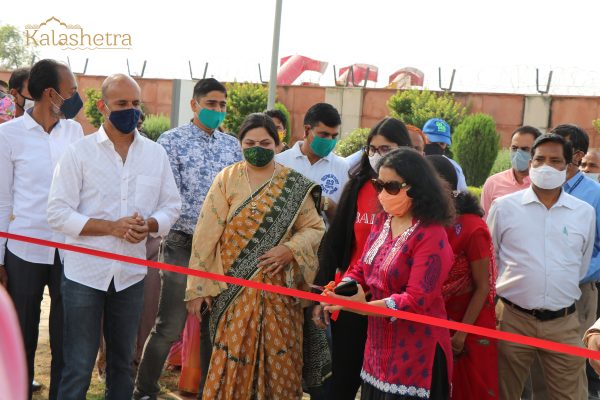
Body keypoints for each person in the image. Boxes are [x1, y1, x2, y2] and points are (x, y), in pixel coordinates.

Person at [47, 74, 181, 399]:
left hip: (130, 276)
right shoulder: (78, 153)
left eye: (136, 104)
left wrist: (148, 225)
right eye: (122, 104)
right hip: (84, 276)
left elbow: (171, 205)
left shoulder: (154, 154)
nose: (130, 111)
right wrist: (111, 227)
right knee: (78, 365)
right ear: (102, 106)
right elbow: (57, 213)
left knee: (123, 364)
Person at [185, 113, 325, 399]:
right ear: (239, 144)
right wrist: (198, 287)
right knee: (230, 361)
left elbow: (315, 227)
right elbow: (206, 234)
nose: (257, 148)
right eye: (249, 142)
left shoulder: (295, 185)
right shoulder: (227, 179)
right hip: (232, 291)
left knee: (280, 361)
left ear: (277, 143)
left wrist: (290, 249)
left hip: (280, 293)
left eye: (264, 142)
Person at [134, 78, 242, 400]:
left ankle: (208, 391)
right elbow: (169, 196)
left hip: (220, 249)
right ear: (194, 105)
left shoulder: (231, 145)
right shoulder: (172, 141)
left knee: (214, 327)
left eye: (222, 105)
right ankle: (144, 390)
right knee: (169, 324)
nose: (217, 110)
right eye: (211, 104)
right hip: (182, 242)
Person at [323, 147, 455, 400]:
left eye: (391, 187)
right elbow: (362, 267)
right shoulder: (383, 221)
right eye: (378, 185)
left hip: (416, 356)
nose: (383, 194)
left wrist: (363, 308)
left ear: (415, 187)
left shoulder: (431, 234)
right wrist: (342, 290)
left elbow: (417, 300)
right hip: (377, 351)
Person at [0, 59, 84, 400]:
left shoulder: (75, 132)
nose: (78, 97)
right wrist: (0, 258)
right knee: (22, 335)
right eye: (73, 90)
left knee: (66, 336)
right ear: (51, 93)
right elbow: (3, 200)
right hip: (24, 251)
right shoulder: (8, 135)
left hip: (67, 250)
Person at [488, 134, 595, 400]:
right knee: (504, 392)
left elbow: (581, 265)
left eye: (555, 160)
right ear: (531, 163)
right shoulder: (504, 208)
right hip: (513, 319)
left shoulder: (583, 212)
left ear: (568, 166)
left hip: (564, 322)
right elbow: (493, 259)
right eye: (540, 159)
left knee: (570, 394)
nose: (546, 166)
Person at [314, 117, 413, 400]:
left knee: (385, 386)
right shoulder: (358, 186)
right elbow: (334, 243)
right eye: (372, 148)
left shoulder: (416, 195)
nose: (377, 154)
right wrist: (321, 294)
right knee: (343, 379)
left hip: (394, 304)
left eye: (386, 148)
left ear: (403, 150)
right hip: (352, 297)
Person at [428, 155, 499, 400]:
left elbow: (483, 286)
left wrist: (461, 334)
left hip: (468, 325)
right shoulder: (424, 221)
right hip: (431, 321)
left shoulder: (471, 226)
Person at [550, 124, 600, 399]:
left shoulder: (595, 195)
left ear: (577, 155)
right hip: (537, 296)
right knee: (538, 369)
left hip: (578, 294)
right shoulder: (535, 190)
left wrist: (577, 272)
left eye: (559, 148)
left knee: (569, 369)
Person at [276, 102, 348, 220]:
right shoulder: (279, 162)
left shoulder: (343, 167)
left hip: (325, 237)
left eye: (334, 136)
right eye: (324, 134)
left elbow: (346, 219)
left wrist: (326, 204)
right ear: (307, 130)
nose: (329, 140)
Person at [481, 126, 542, 217]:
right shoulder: (493, 183)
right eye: (514, 148)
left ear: (537, 152)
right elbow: (484, 221)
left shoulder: (543, 184)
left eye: (525, 149)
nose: (518, 153)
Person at [422, 117, 467, 192]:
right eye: (431, 141)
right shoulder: (411, 162)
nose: (436, 147)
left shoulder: (454, 167)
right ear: (422, 137)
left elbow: (463, 195)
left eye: (441, 144)